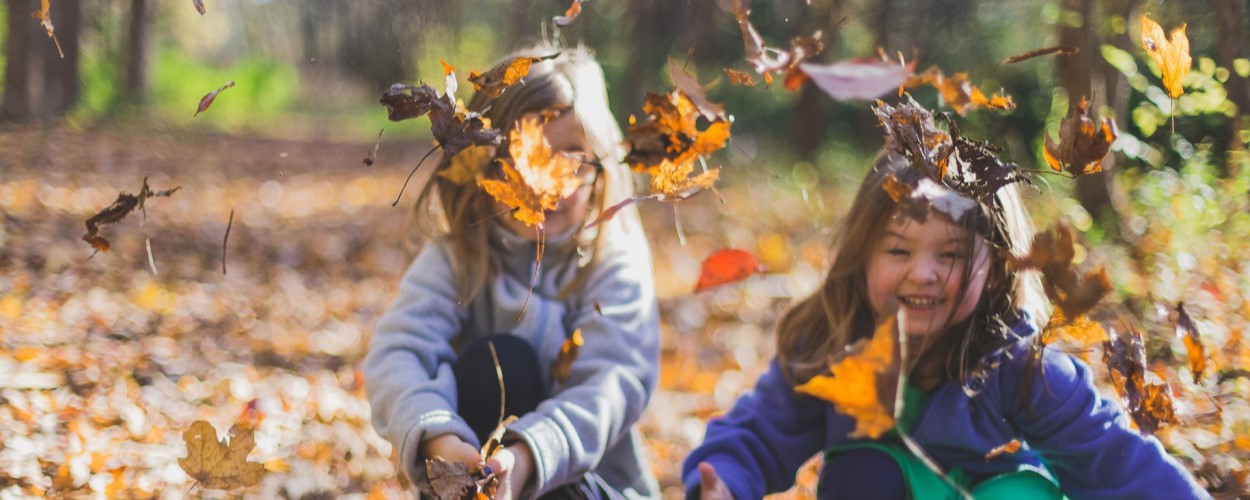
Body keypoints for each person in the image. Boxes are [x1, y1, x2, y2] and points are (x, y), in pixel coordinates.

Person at [682, 151, 1210, 499]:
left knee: (1017, 495)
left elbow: (1118, 462)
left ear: (998, 266)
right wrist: (724, 483)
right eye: (898, 249)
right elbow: (758, 432)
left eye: (951, 254)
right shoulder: (833, 343)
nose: (923, 272)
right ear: (862, 255)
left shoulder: (1022, 367)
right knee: (863, 473)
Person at [366, 44, 661, 499]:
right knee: (497, 361)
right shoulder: (460, 257)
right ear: (484, 165)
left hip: (589, 487)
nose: (548, 186)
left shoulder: (611, 264)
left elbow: (611, 385)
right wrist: (441, 438)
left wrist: (527, 457)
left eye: (570, 158)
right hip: (478, 473)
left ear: (599, 163)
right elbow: (399, 352)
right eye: (525, 160)